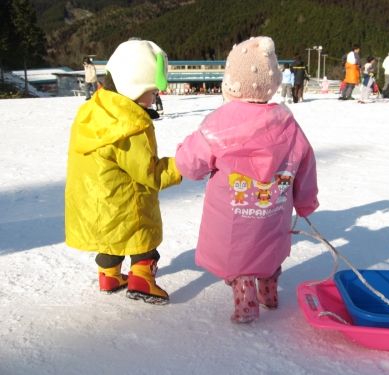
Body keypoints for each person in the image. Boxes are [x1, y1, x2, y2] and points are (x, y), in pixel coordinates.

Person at [175, 36, 319, 324]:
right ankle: (270, 294)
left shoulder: (218, 123)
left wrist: (183, 152)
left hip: (233, 215)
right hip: (273, 211)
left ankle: (246, 303)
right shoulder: (287, 123)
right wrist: (304, 202)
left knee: (239, 258)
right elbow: (305, 163)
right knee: (268, 252)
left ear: (231, 82)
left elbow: (190, 165)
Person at [65, 40, 183, 305]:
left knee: (111, 239)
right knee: (143, 235)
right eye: (152, 92)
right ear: (135, 86)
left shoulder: (92, 110)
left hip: (96, 203)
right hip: (125, 204)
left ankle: (108, 275)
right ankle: (142, 278)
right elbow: (150, 173)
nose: (155, 98)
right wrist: (183, 165)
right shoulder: (130, 124)